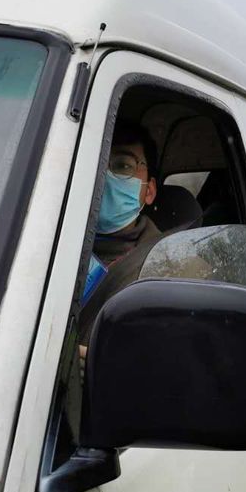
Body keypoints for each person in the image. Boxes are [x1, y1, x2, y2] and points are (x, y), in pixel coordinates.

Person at [77, 121, 161, 342]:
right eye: (97, 163)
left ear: (149, 191)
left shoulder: (168, 267)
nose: (104, 176)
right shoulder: (44, 239)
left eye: (123, 166)